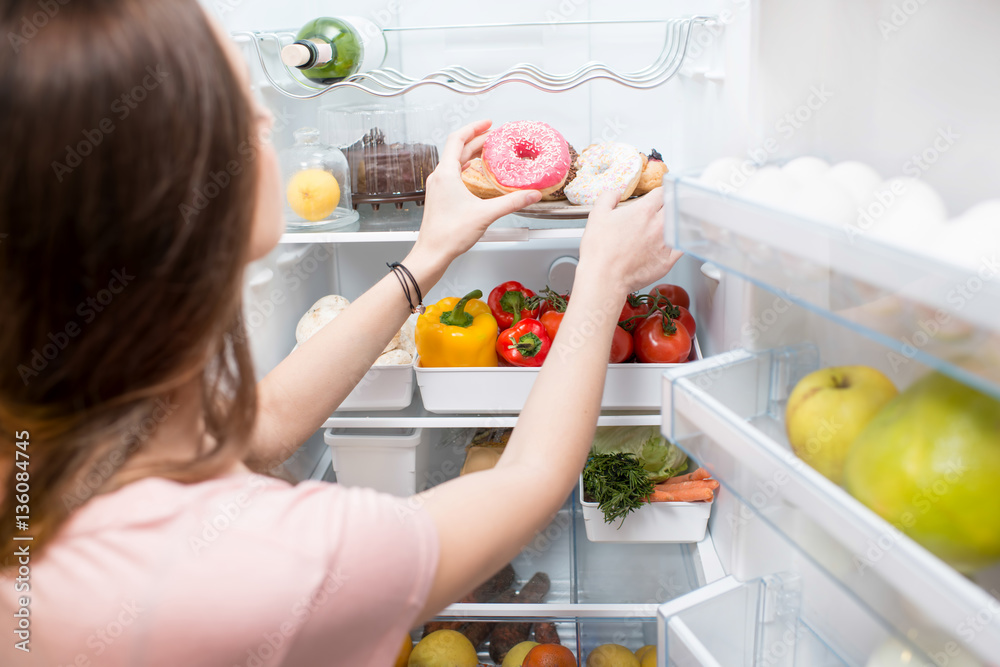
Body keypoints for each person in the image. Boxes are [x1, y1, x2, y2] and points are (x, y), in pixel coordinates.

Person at [0, 0, 682, 664]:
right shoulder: (276, 564)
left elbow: (258, 428)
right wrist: (602, 278)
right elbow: (527, 483)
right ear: (178, 200)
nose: (270, 114)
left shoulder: (42, 447)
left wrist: (426, 258)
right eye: (245, 112)